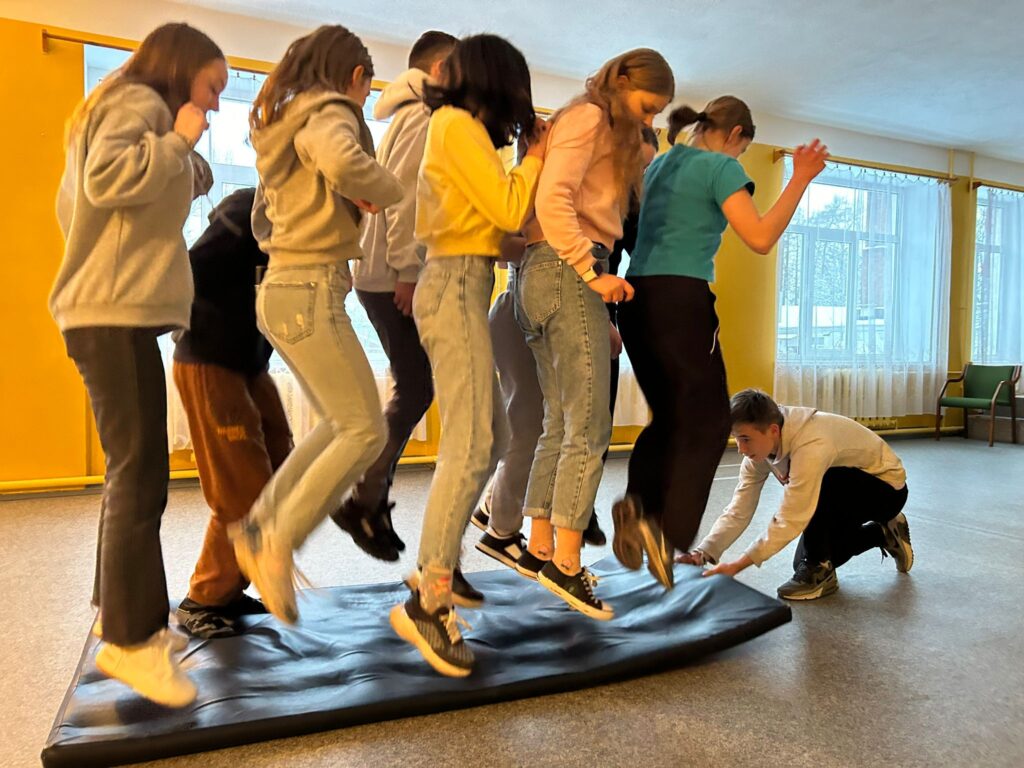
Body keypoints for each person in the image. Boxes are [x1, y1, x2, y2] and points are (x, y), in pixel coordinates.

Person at [50, 22, 227, 706]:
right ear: (181, 71)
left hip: (108, 313)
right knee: (141, 474)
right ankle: (131, 642)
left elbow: (102, 197)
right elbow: (107, 181)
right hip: (109, 314)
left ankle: (122, 616)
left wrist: (186, 155)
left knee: (129, 470)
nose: (213, 105)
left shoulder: (121, 109)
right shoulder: (138, 104)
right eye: (211, 88)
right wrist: (178, 142)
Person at [612, 96, 828, 589]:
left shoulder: (662, 163)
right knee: (710, 424)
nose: (738, 159)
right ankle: (666, 536)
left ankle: (638, 508)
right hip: (680, 301)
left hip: (636, 300)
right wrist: (800, 178)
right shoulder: (718, 166)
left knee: (669, 418)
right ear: (734, 135)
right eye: (742, 151)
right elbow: (760, 237)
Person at [231, 25, 404, 625]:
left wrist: (345, 198)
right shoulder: (329, 110)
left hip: (282, 287)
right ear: (355, 77)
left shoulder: (283, 123)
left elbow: (263, 216)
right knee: (365, 431)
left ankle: (259, 527)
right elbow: (343, 159)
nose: (363, 101)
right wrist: (385, 188)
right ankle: (276, 543)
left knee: (342, 423)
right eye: (367, 90)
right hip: (308, 288)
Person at [389, 34, 546, 678]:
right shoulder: (455, 125)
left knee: (495, 436)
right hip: (453, 286)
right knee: (472, 442)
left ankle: (442, 565)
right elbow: (507, 206)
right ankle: (428, 600)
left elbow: (490, 229)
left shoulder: (463, 132)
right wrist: (535, 158)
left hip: (465, 280)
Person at [516, 49, 674, 620]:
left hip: (543, 271)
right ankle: (566, 563)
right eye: (647, 106)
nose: (650, 120)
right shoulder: (588, 116)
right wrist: (591, 272)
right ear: (622, 80)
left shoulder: (590, 122)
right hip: (566, 267)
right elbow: (553, 197)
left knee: (560, 423)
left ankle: (540, 547)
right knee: (588, 427)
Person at [335, 31, 459, 560]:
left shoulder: (415, 114)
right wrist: (408, 270)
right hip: (391, 275)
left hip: (387, 272)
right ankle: (363, 498)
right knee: (416, 388)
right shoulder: (423, 116)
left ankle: (368, 497)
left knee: (416, 387)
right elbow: (405, 196)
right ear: (439, 68)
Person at [172, 187, 291, 637]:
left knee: (281, 470)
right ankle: (203, 596)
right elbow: (191, 269)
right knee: (241, 490)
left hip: (250, 363)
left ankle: (229, 587)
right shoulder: (247, 208)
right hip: (211, 361)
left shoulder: (303, 218)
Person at [679, 389, 914, 601]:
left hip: (886, 491)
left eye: (745, 439)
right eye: (736, 438)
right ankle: (881, 534)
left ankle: (819, 569)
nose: (740, 449)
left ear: (773, 430)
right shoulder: (760, 452)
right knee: (804, 562)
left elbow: (793, 515)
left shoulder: (811, 444)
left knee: (822, 493)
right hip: (844, 498)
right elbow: (739, 510)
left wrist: (737, 566)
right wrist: (703, 553)